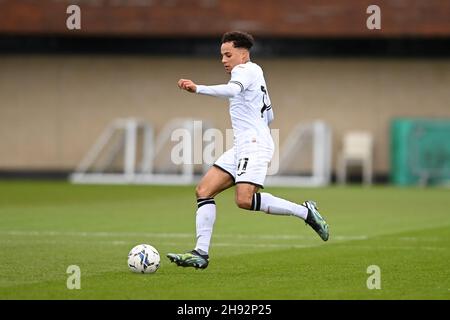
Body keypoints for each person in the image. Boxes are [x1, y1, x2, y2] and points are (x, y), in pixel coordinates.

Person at [167, 31, 329, 269]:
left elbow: (232, 91)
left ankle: (305, 212)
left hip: (253, 144)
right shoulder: (255, 73)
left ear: (243, 54)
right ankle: (200, 253)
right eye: (221, 55)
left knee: (244, 200)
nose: (223, 60)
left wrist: (197, 88)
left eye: (228, 54)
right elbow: (269, 115)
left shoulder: (244, 71)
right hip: (244, 144)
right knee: (204, 190)